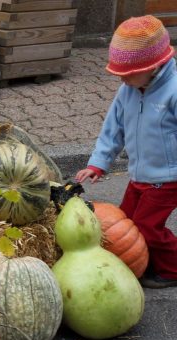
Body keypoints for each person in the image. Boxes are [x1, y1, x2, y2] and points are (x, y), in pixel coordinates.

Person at [75, 15, 177, 289]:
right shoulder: (127, 91)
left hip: (168, 178)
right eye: (119, 73)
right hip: (138, 176)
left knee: (146, 227)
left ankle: (172, 268)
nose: (122, 78)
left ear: (155, 66)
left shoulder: (173, 92)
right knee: (126, 223)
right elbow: (113, 129)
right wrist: (98, 163)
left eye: (128, 73)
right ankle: (147, 261)